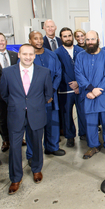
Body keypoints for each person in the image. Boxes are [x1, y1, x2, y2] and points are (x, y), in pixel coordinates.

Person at [1, 44, 53, 194]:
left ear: (34, 56)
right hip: (15, 115)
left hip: (36, 114)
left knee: (37, 144)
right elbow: (4, 94)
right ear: (19, 55)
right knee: (15, 148)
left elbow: (48, 94)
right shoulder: (8, 72)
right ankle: (16, 178)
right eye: (25, 54)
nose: (28, 57)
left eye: (31, 54)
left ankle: (37, 169)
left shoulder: (43, 72)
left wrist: (33, 104)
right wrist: (18, 105)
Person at [26, 31, 65, 160]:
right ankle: (32, 154)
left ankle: (52, 147)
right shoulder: (27, 58)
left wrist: (51, 91)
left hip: (51, 97)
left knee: (52, 123)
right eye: (35, 39)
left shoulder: (52, 55)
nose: (38, 41)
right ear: (30, 40)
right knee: (34, 128)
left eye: (40, 39)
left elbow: (58, 73)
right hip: (34, 99)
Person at [75, 30, 105, 159]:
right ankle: (93, 146)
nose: (90, 42)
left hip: (104, 94)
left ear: (98, 40)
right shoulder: (80, 56)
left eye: (92, 39)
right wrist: (91, 89)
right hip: (88, 94)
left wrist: (98, 90)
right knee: (90, 122)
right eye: (88, 40)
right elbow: (78, 74)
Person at [55, 27, 86, 147]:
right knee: (67, 114)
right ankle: (70, 136)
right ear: (61, 38)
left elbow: (85, 69)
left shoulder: (81, 51)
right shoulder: (57, 53)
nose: (68, 38)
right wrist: (72, 84)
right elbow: (59, 71)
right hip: (65, 89)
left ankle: (83, 133)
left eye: (69, 35)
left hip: (81, 88)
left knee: (82, 112)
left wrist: (79, 83)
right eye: (65, 36)